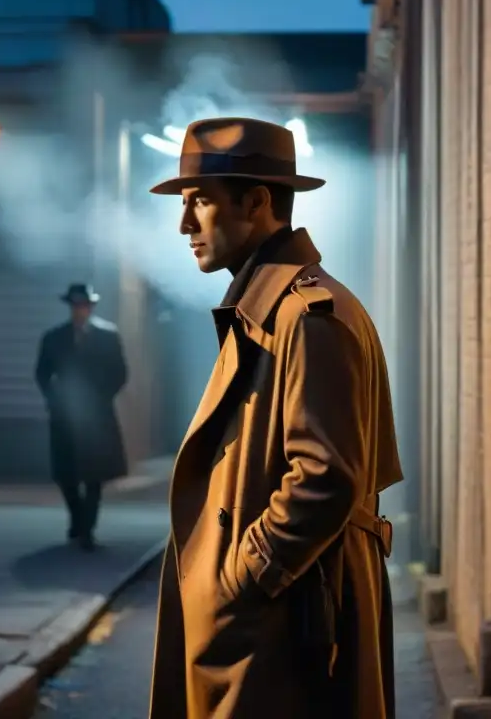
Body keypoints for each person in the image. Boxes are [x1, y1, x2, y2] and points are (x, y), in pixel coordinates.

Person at [146, 118, 404, 718]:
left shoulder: (306, 315)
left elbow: (324, 476)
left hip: (290, 623)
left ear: (258, 202)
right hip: (277, 619)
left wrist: (241, 584)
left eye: (200, 202)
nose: (185, 225)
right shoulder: (274, 309)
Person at [35, 283, 129, 551]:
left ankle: (87, 527)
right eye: (76, 306)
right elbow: (42, 373)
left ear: (91, 307)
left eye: (84, 306)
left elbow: (120, 373)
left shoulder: (107, 337)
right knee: (67, 473)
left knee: (94, 475)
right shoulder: (54, 338)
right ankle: (77, 519)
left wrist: (101, 398)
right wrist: (54, 399)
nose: (80, 311)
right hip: (65, 415)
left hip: (96, 416)